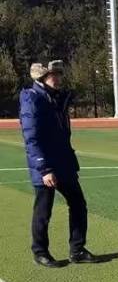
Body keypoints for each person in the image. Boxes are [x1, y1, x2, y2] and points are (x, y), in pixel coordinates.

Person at [19, 60, 99, 267]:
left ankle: (77, 249)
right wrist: (44, 169)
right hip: (45, 166)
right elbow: (31, 138)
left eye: (59, 74)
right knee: (43, 211)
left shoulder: (56, 98)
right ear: (42, 77)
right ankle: (40, 252)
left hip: (64, 162)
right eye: (53, 75)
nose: (57, 78)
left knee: (78, 204)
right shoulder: (32, 99)